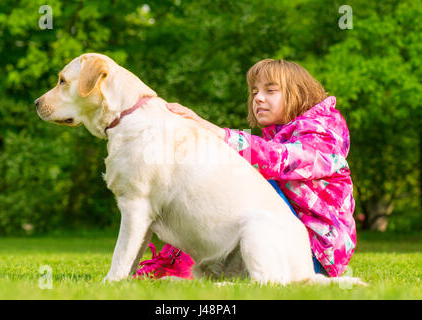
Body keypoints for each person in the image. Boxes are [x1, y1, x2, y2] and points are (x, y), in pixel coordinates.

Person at [134, 59, 356, 279]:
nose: (258, 98)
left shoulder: (324, 133)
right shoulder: (280, 136)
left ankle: (182, 264)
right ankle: (181, 260)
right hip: (274, 245)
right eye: (254, 91)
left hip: (315, 254)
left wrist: (216, 132)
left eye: (270, 90)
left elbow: (281, 159)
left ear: (298, 93)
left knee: (242, 180)